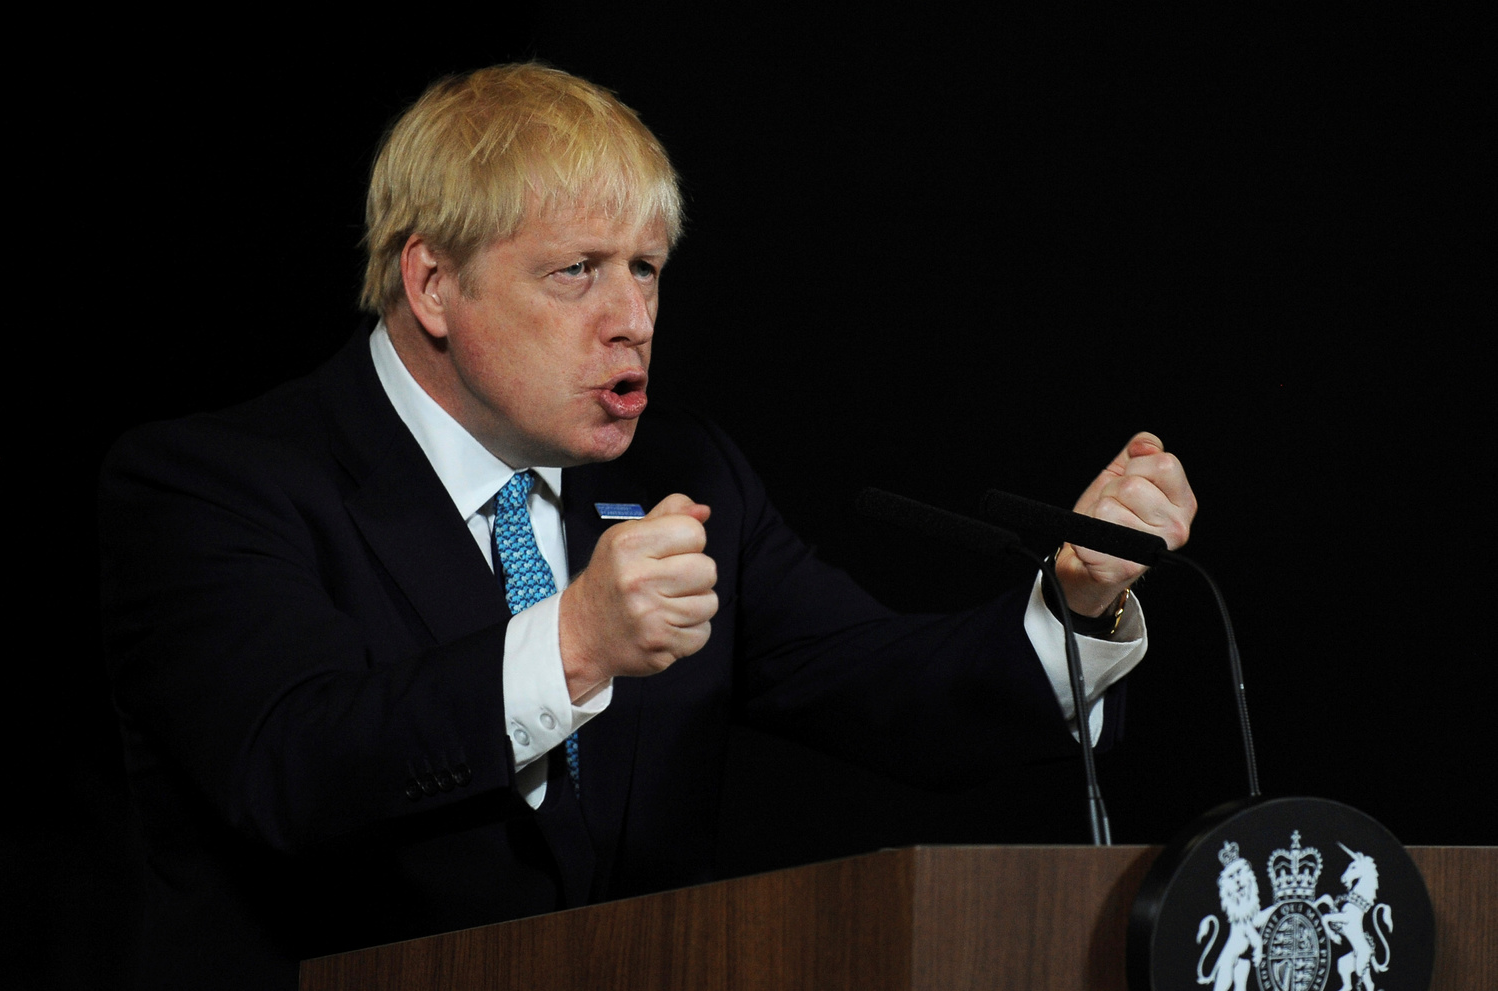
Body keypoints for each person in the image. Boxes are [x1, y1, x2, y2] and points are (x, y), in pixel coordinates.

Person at [100, 63, 1195, 989]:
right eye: (577, 271)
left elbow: (887, 689)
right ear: (431, 281)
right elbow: (289, 767)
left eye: (646, 271)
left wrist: (1077, 596)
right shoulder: (215, 482)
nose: (630, 321)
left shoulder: (683, 469)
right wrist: (571, 645)